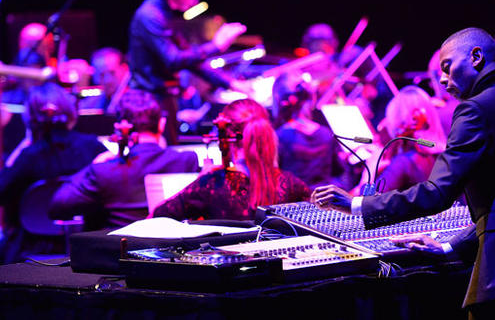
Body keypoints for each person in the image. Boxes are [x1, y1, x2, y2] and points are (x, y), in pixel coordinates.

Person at [312, 28, 495, 319]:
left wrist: (356, 205)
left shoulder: (475, 110)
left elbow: (437, 193)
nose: (441, 79)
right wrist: (449, 247)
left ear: (476, 57)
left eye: (447, 66)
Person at [128, 0, 246, 144]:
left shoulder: (164, 16)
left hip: (160, 102)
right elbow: (173, 59)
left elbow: (192, 60)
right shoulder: (150, 16)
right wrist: (215, 45)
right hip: (149, 107)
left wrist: (232, 83)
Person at [49, 89, 199, 231]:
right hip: (172, 254)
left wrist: (95, 164)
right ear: (161, 124)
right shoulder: (187, 161)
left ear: (119, 129)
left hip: (118, 254)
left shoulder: (104, 171)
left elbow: (58, 206)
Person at [153, 98, 310, 221]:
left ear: (227, 138)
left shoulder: (211, 184)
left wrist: (201, 179)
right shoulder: (291, 185)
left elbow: (159, 215)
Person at [0, 83, 106, 263]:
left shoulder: (30, 156)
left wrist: (23, 146)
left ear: (31, 118)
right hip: (87, 245)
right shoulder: (93, 148)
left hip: (34, 249)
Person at [272, 72, 350, 190]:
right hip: (325, 202)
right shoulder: (326, 133)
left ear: (279, 100)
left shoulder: (278, 137)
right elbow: (338, 172)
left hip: (294, 204)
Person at [376, 85, 446, 193]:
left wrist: (368, 173)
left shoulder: (404, 163)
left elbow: (368, 201)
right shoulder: (446, 154)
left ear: (399, 122)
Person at [79, 47, 130, 114]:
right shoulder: (95, 101)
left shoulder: (134, 99)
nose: (107, 80)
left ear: (124, 69)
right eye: (101, 75)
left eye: (112, 73)